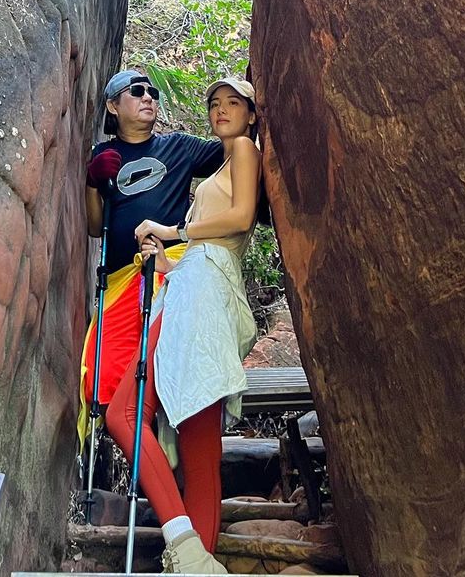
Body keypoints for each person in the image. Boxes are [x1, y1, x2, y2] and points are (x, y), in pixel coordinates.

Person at [105, 76, 261, 575]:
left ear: (252, 115)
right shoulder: (223, 162)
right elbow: (207, 244)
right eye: (214, 103)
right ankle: (196, 559)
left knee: (125, 414)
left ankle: (185, 544)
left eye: (232, 102)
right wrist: (167, 260)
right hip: (194, 283)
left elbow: (239, 219)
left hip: (206, 292)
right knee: (197, 445)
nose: (220, 110)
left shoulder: (242, 149)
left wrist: (173, 230)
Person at [79, 69, 224, 455]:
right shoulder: (103, 155)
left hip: (167, 269)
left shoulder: (179, 148)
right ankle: (142, 444)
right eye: (137, 92)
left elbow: (232, 154)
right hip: (121, 278)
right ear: (113, 105)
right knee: (102, 374)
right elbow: (96, 227)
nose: (148, 98)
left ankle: (169, 424)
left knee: (165, 358)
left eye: (153, 92)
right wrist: (93, 183)